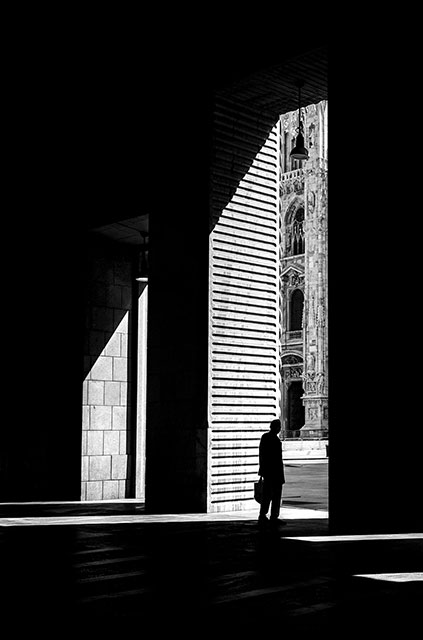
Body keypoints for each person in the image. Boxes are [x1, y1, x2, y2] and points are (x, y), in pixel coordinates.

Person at [258, 418, 285, 525]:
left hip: (268, 472)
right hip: (275, 473)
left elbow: (262, 456)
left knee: (267, 495)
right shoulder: (275, 440)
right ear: (276, 428)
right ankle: (273, 516)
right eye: (279, 427)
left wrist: (262, 470)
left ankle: (263, 515)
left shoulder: (265, 437)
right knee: (275, 496)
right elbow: (277, 459)